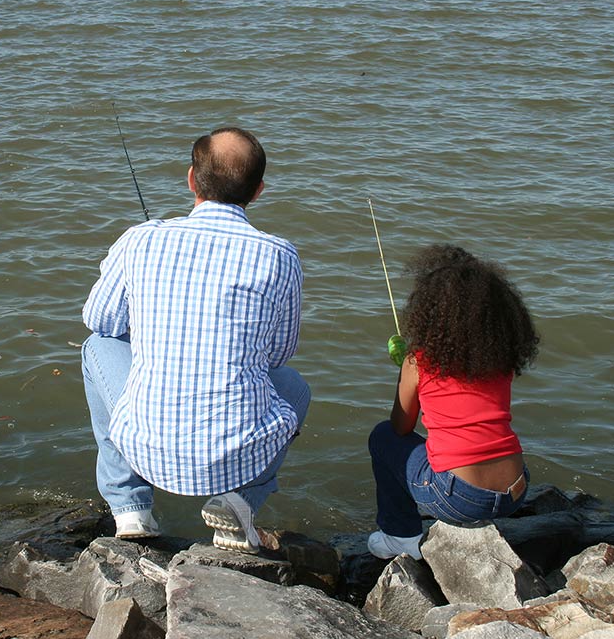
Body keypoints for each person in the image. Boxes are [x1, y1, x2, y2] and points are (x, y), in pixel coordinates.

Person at [81, 126, 310, 554]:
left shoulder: (141, 239)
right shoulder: (281, 255)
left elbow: (100, 320)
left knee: (97, 346)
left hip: (144, 443)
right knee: (295, 386)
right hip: (237, 454)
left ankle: (131, 510)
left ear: (191, 179)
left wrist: (152, 331)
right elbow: (278, 355)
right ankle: (239, 502)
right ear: (258, 191)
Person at [367, 244, 539, 560]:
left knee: (382, 437)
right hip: (516, 489)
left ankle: (401, 536)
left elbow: (401, 427)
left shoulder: (419, 361)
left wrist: (406, 370)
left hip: (460, 497)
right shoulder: (500, 360)